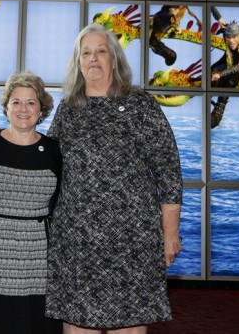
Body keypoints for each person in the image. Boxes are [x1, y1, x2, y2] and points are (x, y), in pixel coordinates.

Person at [45, 23, 183, 333]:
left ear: (114, 59)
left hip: (133, 237)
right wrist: (3, 139)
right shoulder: (68, 108)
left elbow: (168, 168)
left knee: (130, 324)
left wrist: (170, 231)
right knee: (78, 323)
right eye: (86, 53)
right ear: (78, 62)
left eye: (101, 51)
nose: (93, 58)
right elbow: (46, 160)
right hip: (76, 237)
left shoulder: (140, 104)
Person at [0, 71, 63, 334]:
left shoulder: (54, 151)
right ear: (6, 107)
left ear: (41, 108)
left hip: (36, 259)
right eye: (16, 101)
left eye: (31, 102)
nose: (23, 109)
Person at [209, 6, 239, 128]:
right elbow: (219, 19)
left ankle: (215, 116)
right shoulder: (228, 34)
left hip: (237, 68)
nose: (231, 41)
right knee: (211, 71)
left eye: (234, 37)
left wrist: (220, 75)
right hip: (228, 60)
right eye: (229, 37)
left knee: (227, 87)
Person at [149, 0, 201, 66]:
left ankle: (166, 53)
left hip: (171, 22)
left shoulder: (186, 0)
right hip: (162, 17)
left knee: (153, 39)